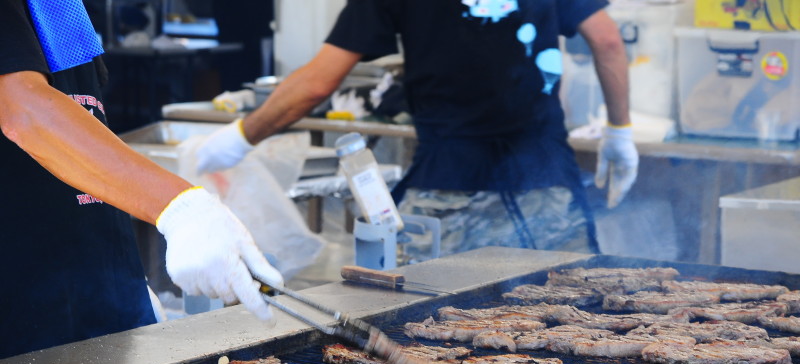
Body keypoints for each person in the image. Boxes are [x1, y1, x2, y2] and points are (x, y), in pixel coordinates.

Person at [195, 0, 638, 255]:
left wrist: (239, 138)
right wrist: (619, 131)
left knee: (434, 342)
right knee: (573, 330)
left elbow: (317, 83)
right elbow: (607, 40)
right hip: (547, 183)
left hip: (447, 189)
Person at [0, 0, 283, 359]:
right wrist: (179, 207)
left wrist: (120, 271)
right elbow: (24, 111)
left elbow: (79, 118)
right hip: (18, 313)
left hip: (94, 284)